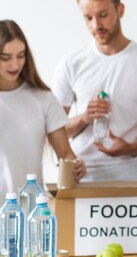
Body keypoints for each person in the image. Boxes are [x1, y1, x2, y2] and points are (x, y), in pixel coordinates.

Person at [52, 0, 137, 181]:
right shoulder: (71, 64)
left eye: (103, 14)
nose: (96, 25)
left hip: (129, 175)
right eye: (88, 18)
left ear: (120, 10)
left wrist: (130, 148)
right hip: (80, 176)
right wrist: (85, 117)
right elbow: (55, 132)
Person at [0, 20, 86, 198]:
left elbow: (65, 153)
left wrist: (75, 166)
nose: (15, 65)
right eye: (5, 58)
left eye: (21, 55)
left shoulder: (43, 99)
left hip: (30, 210)